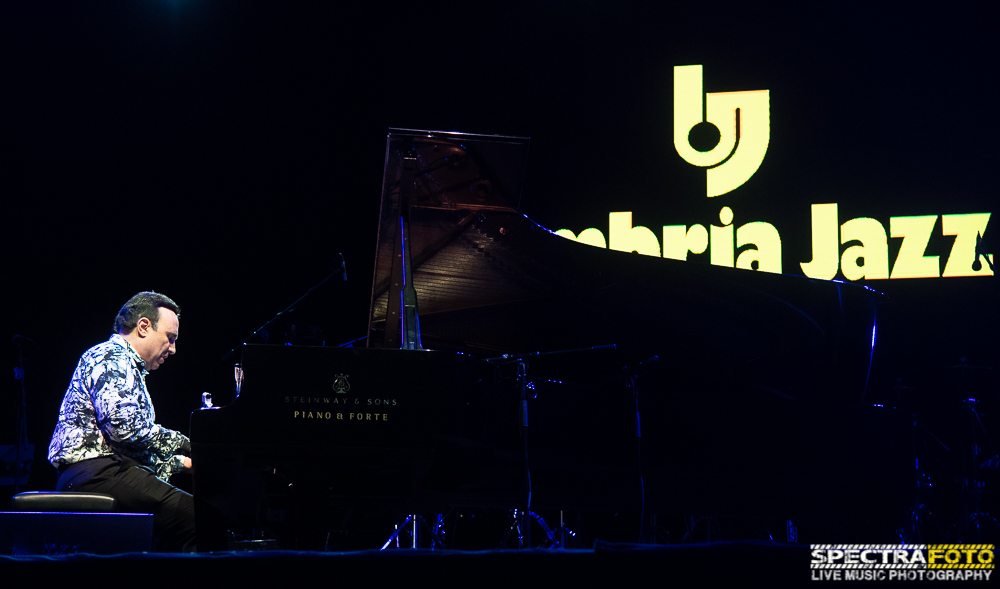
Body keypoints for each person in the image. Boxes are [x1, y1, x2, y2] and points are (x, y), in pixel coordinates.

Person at [48, 291, 195, 551]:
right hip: (95, 474)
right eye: (170, 338)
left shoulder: (125, 363)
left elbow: (128, 446)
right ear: (143, 327)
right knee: (196, 518)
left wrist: (182, 463)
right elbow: (124, 429)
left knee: (185, 520)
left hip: (108, 469)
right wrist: (188, 444)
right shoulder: (110, 356)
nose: (173, 349)